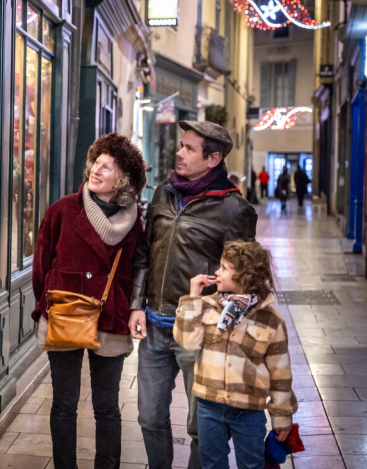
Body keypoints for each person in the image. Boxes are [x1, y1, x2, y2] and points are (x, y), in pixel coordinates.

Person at [128, 121, 257, 469]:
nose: (179, 154)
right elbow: (144, 252)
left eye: (188, 148)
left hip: (200, 334)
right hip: (154, 326)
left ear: (213, 158)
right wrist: (136, 305)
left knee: (203, 427)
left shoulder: (234, 210)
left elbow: (243, 280)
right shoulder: (163, 193)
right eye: (181, 145)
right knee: (149, 417)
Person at [32, 133, 147, 469]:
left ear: (122, 179)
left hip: (111, 316)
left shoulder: (133, 222)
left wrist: (133, 306)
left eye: (107, 167)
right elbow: (41, 265)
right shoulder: (63, 210)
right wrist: (47, 306)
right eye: (96, 162)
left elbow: (139, 265)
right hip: (66, 311)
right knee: (64, 404)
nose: (96, 170)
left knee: (107, 406)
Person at [174, 241, 297, 469]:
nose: (217, 272)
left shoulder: (270, 320)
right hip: (208, 405)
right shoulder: (207, 305)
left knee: (252, 465)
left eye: (224, 268)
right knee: (211, 464)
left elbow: (281, 374)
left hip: (249, 411)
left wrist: (281, 417)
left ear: (244, 276)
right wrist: (192, 297)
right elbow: (187, 341)